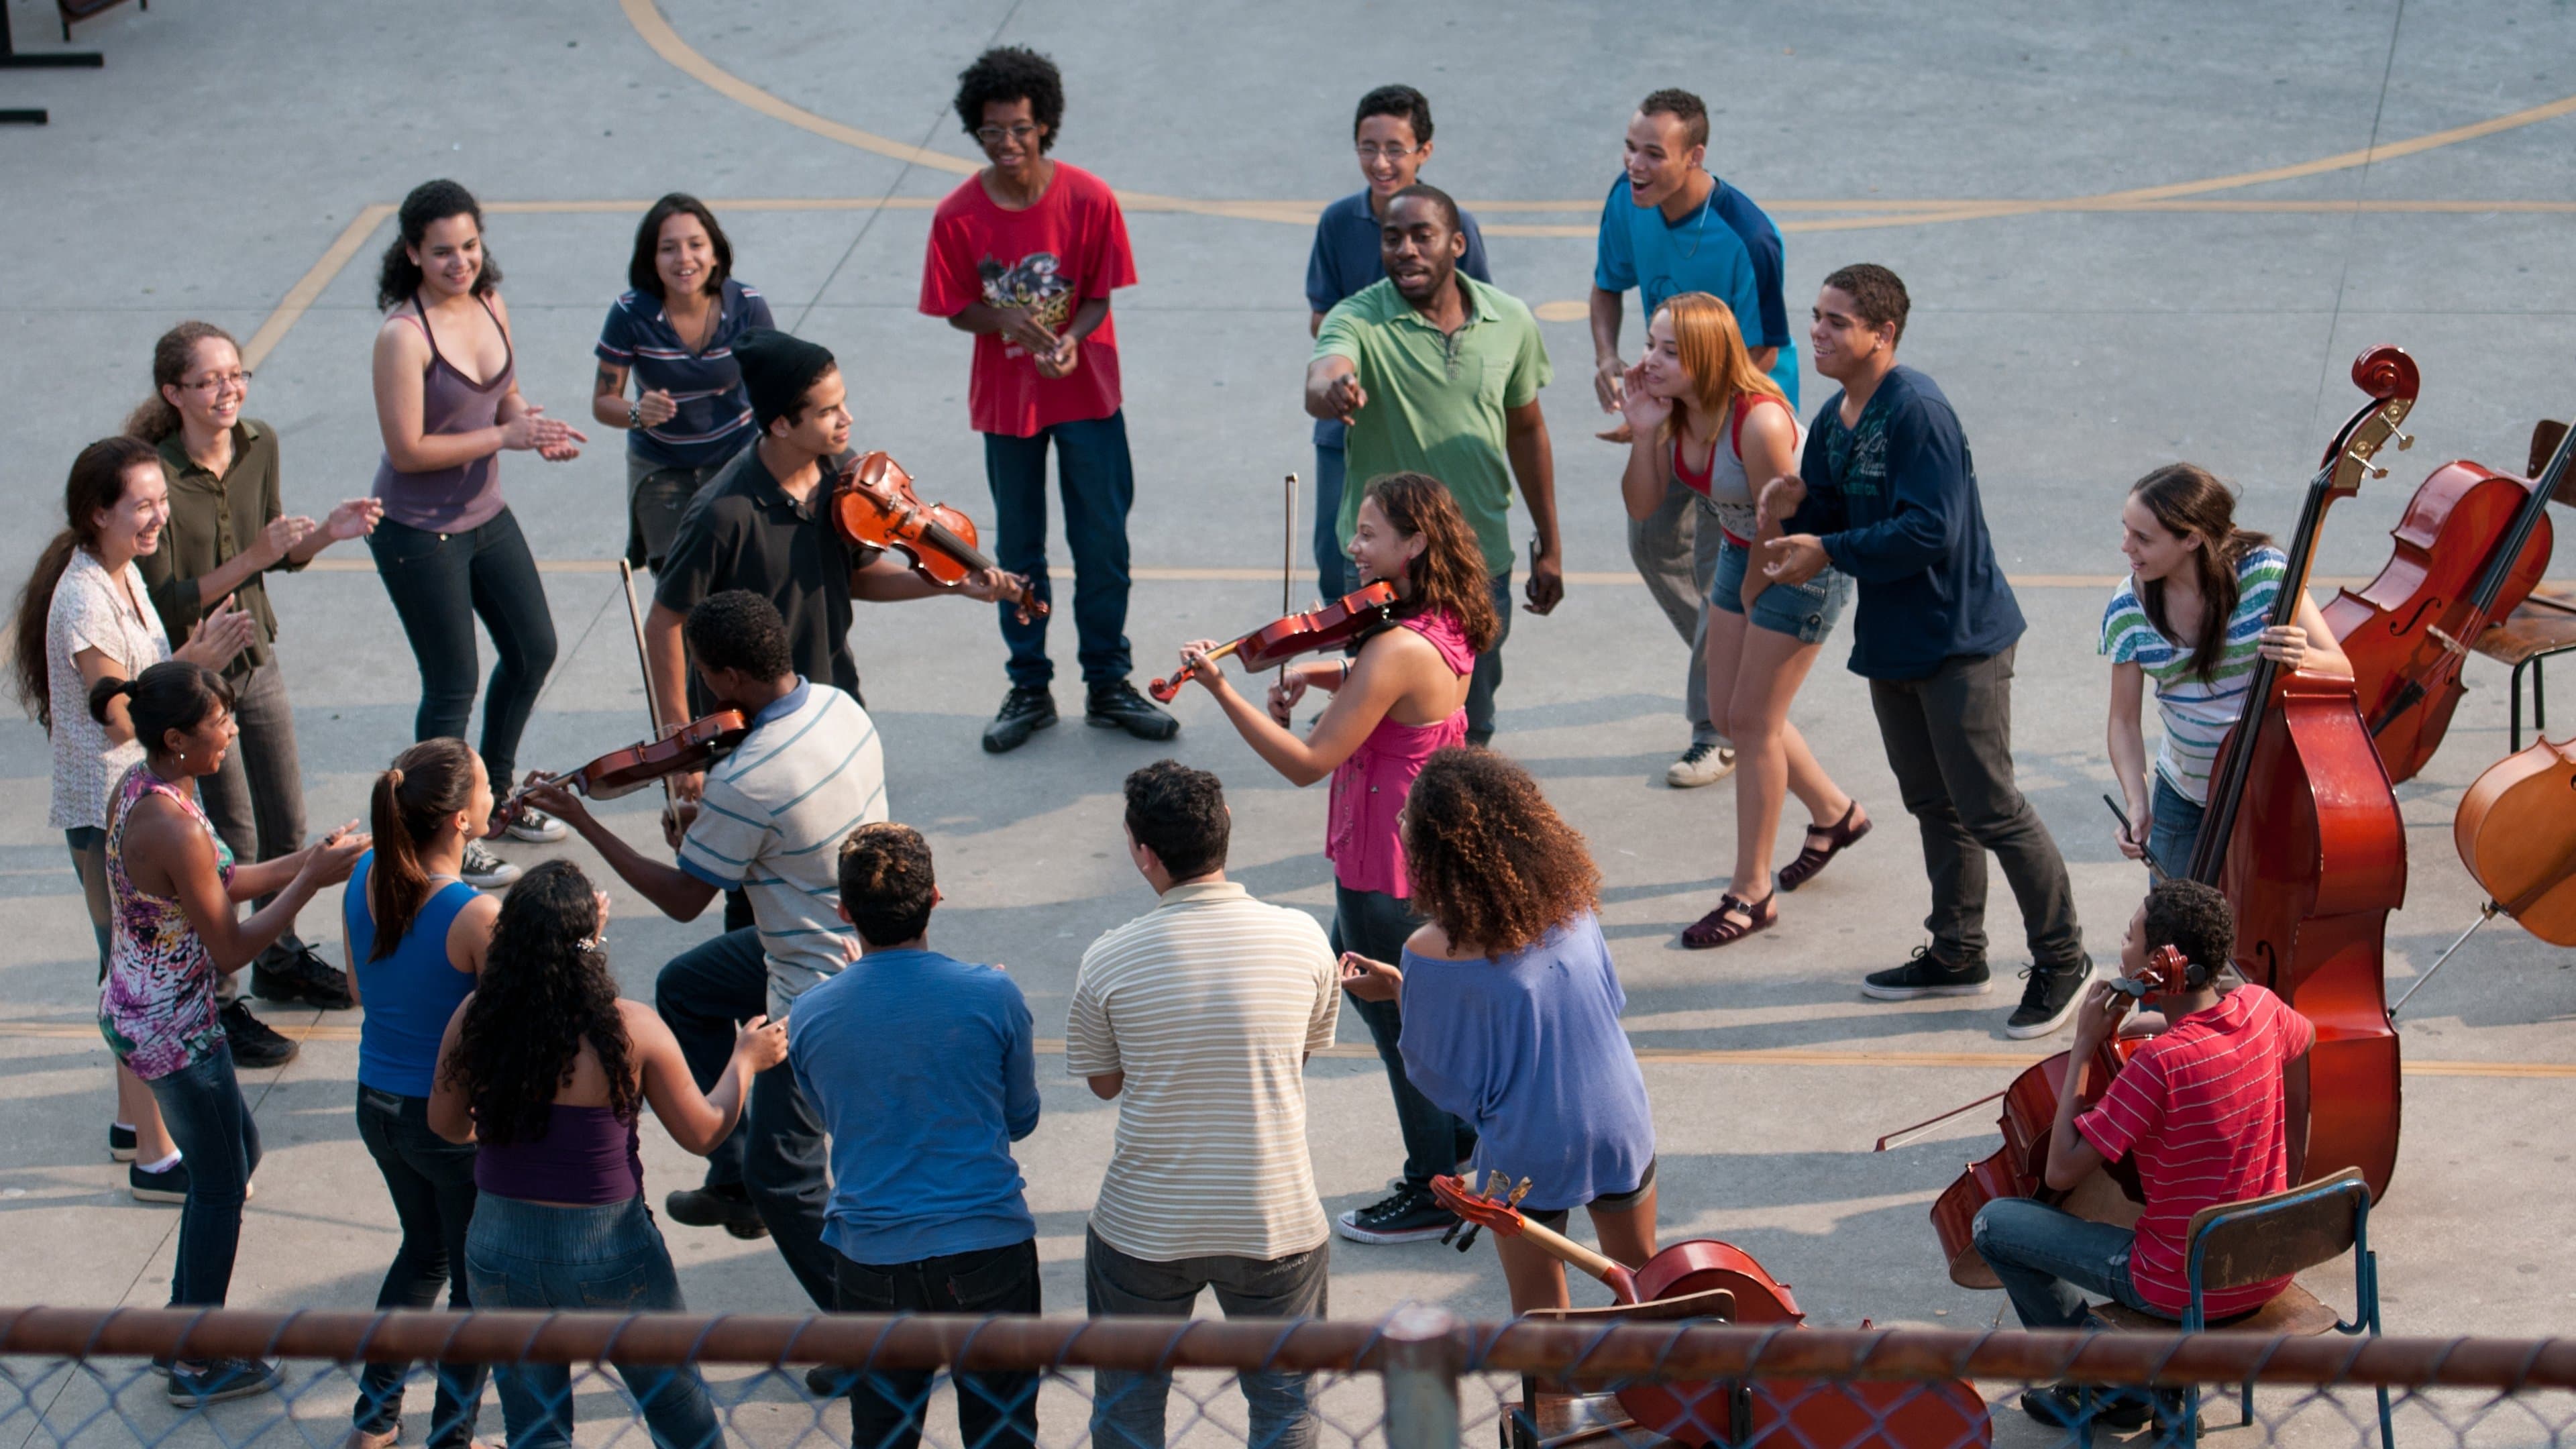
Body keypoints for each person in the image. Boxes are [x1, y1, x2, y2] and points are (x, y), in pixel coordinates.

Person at [641, 339, 1002, 1238]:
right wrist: (681, 751)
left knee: (810, 938)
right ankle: (755, 1159)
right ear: (778, 423)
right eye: (829, 411)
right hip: (755, 753)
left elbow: (851, 579)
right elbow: (664, 622)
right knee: (757, 951)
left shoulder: (837, 483)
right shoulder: (723, 512)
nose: (847, 423)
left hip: (829, 722)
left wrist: (950, 585)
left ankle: (760, 1154)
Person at [523, 590, 885, 1309]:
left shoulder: (747, 777)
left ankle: (862, 1331)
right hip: (847, 922)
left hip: (812, 981)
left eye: (702, 675)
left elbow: (684, 900)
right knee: (687, 988)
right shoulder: (841, 706)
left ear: (728, 678)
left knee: (787, 1178)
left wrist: (586, 823)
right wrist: (708, 829)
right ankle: (730, 1167)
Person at [1762, 264, 2091, 1037]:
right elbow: (1840, 503)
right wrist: (1798, 503)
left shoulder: (1918, 413)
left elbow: (1928, 529)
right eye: (1816, 316)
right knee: (1933, 804)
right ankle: (1956, 951)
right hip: (1896, 643)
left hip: (1958, 640)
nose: (1818, 331)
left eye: (1838, 321)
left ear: (1884, 334)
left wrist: (1828, 545)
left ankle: (2064, 958)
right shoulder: (1838, 415)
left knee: (1991, 807)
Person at [1177, 472, 1497, 1245]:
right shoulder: (1442, 619)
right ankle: (1456, 1137)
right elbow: (1393, 687)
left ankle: (1432, 1183)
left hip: (1381, 864)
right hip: (1422, 848)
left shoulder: (1390, 645)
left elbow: (1307, 761)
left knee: (1398, 1031)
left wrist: (1223, 690)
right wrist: (1323, 670)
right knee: (1374, 987)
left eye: (1369, 534)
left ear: (1414, 544)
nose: (1353, 549)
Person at [429, 860, 787, 1449]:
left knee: (536, 1429)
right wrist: (744, 1062)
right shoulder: (629, 1029)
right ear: (588, 942)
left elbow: (445, 1126)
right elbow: (705, 1132)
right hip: (610, 1254)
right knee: (680, 1414)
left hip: (500, 1251)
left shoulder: (476, 1020)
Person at [93, 660, 368, 1406]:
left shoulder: (155, 789)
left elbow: (222, 878)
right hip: (170, 1030)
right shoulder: (167, 821)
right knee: (220, 1183)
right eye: (222, 723)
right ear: (179, 738)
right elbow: (233, 950)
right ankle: (197, 1360)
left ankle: (184, 1327)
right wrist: (311, 885)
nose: (233, 731)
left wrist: (305, 859)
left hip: (154, 1012)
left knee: (235, 1155)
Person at [1970, 879, 2313, 1429]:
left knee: (1994, 1225)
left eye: (2131, 936)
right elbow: (2306, 1038)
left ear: (2162, 963)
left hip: (2177, 1284)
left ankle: (2112, 1380)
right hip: (2265, 1267)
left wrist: (2085, 1044)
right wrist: (2168, 1019)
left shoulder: (2160, 1068)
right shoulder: (2263, 1010)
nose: (2122, 944)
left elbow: (2061, 1167)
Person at [10, 437, 259, 1195]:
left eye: (160, 501)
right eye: (141, 505)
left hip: (135, 802)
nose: (157, 517)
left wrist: (186, 661)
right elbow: (118, 711)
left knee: (126, 964)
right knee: (136, 980)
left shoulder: (122, 574)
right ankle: (155, 1155)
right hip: (106, 809)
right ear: (98, 513)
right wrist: (190, 672)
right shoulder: (86, 594)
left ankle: (130, 1122)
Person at [1069, 762, 1338, 1449]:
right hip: (1273, 1220)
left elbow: (1104, 1082)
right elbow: (1297, 1054)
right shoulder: (1306, 937)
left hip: (1143, 1229)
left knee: (1128, 1406)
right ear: (1223, 833)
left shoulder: (1108, 959)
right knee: (1285, 1407)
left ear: (1144, 852)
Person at [919, 45, 1177, 753]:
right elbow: (955, 307)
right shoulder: (958, 217)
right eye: (993, 130)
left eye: (1021, 129)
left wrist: (1071, 340)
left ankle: (1108, 681)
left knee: (1103, 542)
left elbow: (1096, 296)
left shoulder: (1089, 200)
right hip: (1008, 406)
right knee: (1018, 550)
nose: (1007, 144)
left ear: (1046, 126)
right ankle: (1029, 684)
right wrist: (1001, 318)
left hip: (1086, 390)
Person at [1340, 749, 1656, 1315]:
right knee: (1643, 1283)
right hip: (1620, 1117)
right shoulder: (1573, 904)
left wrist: (1403, 995)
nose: (1398, 823)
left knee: (1540, 1311)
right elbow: (1603, 1001)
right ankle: (1663, 1398)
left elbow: (1443, 1083)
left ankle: (1556, 1401)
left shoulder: (1431, 951)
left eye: (1408, 818)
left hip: (1528, 1150)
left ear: (1440, 851)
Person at [129, 319, 382, 1018]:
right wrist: (252, 558)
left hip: (255, 657)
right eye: (208, 381)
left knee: (285, 817)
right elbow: (165, 596)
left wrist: (329, 532)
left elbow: (278, 548)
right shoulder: (158, 476)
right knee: (231, 837)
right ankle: (221, 994)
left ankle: (279, 957)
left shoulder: (259, 442)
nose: (226, 391)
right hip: (196, 676)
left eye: (235, 375)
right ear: (173, 392)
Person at [1615, 294, 1863, 949]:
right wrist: (1642, 432)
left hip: (1800, 559)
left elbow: (1780, 530)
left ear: (1706, 358)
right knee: (1730, 717)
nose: (1649, 361)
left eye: (1669, 350)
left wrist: (1751, 609)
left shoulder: (1757, 422)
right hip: (1741, 547)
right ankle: (1836, 815)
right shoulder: (1676, 413)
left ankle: (1751, 893)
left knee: (1751, 724)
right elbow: (1644, 508)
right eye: (1650, 344)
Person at [789, 823, 1040, 1449]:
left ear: (845, 912)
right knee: (1003, 1431)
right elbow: (1020, 1119)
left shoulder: (811, 1014)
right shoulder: (993, 994)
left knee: (882, 1433)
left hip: (871, 1260)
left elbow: (831, 1114)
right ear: (935, 898)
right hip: (986, 1250)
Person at [368, 178, 586, 883]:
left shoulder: (492, 302)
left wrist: (532, 428)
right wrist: (505, 435)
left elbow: (506, 396)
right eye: (442, 252)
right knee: (453, 682)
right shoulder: (403, 337)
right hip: (417, 530)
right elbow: (408, 450)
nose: (460, 261)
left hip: (485, 513)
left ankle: (495, 796)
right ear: (411, 254)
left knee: (533, 649)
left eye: (469, 246)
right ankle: (441, 835)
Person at [1591, 89, 1799, 790]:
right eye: (1631, 147)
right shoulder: (1628, 199)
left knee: (1725, 571)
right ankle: (1737, 667)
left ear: (1695, 157)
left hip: (1740, 416)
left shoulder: (1749, 236)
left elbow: (1762, 351)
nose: (1636, 164)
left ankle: (1716, 729)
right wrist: (1608, 359)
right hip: (1678, 395)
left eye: (1654, 153)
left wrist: (1683, 414)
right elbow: (1605, 288)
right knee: (1649, 541)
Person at [1307, 182, 1562, 745]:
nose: (1406, 250)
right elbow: (1322, 374)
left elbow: (1527, 430)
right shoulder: (1358, 317)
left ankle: (1454, 825)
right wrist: (1333, 389)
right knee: (1380, 720)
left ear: (1458, 244)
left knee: (1472, 717)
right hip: (1387, 566)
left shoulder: (1511, 321)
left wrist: (1551, 544)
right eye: (1393, 238)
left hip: (1478, 555)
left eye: (1423, 236)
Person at [341, 739, 501, 1449]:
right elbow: (522, 1026)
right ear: (460, 820)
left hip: (376, 1102)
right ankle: (452, 1437)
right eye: (488, 787)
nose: (496, 796)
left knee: (422, 1252)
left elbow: (356, 989)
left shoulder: (367, 873)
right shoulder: (474, 915)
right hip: (446, 1125)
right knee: (474, 1286)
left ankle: (375, 1420)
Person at [2106, 464, 2350, 875]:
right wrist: (2136, 800)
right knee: (2176, 930)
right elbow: (2123, 721)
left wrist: (2302, 657)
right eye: (2126, 530)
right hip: (2181, 796)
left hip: (2263, 794)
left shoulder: (2267, 577)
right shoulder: (2128, 609)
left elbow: (2341, 669)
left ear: (2192, 539)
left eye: (2143, 538)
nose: (2126, 546)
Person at [1303, 85, 1492, 602]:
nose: (1380, 161)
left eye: (1395, 149)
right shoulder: (1339, 222)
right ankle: (1358, 671)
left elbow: (1479, 320)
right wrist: (1348, 365)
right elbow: (1323, 314)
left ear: (1424, 152)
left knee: (1436, 557)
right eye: (1368, 147)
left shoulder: (1454, 225)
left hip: (1425, 421)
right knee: (1342, 557)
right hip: (1351, 423)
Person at [591, 193, 775, 574]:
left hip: (736, 460)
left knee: (746, 578)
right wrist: (639, 414)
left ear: (716, 254)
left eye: (696, 245)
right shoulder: (630, 314)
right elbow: (604, 401)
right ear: (651, 259)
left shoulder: (747, 306)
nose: (684, 259)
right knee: (681, 586)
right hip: (663, 466)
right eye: (669, 248)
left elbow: (776, 386)